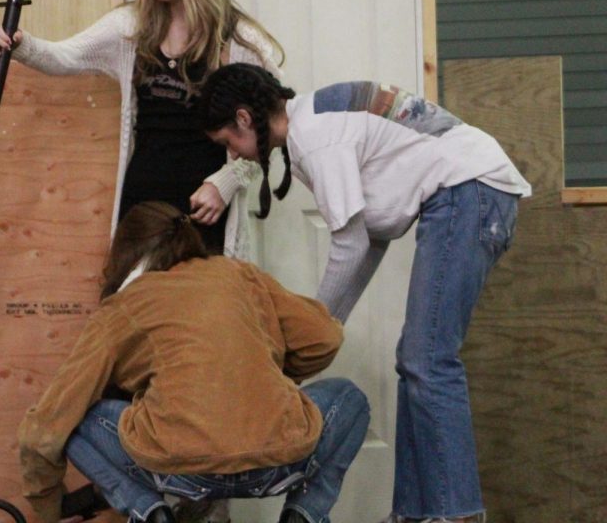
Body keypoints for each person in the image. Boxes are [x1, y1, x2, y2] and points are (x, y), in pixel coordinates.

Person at [200, 64, 531, 523]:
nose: (234, 153)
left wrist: (306, 337)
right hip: (473, 192)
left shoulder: (315, 138)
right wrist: (327, 327)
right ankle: (414, 514)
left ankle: (456, 515)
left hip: (469, 190)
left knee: (428, 360)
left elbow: (351, 243)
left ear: (242, 118)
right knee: (416, 358)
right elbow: (370, 238)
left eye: (228, 143)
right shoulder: (313, 120)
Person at [17, 201, 369, 523]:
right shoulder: (238, 274)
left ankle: (149, 512)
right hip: (280, 462)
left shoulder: (123, 307)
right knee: (349, 398)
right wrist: (267, 369)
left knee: (74, 417)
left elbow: (44, 430)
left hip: (179, 470)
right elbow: (325, 337)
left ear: (126, 254)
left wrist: (49, 506)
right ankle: (304, 513)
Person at [0, 0, 283, 256]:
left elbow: (273, 130)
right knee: (134, 306)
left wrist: (226, 182)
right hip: (141, 209)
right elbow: (65, 57)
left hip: (205, 215)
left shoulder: (240, 42)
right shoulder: (131, 27)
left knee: (205, 309)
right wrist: (21, 44)